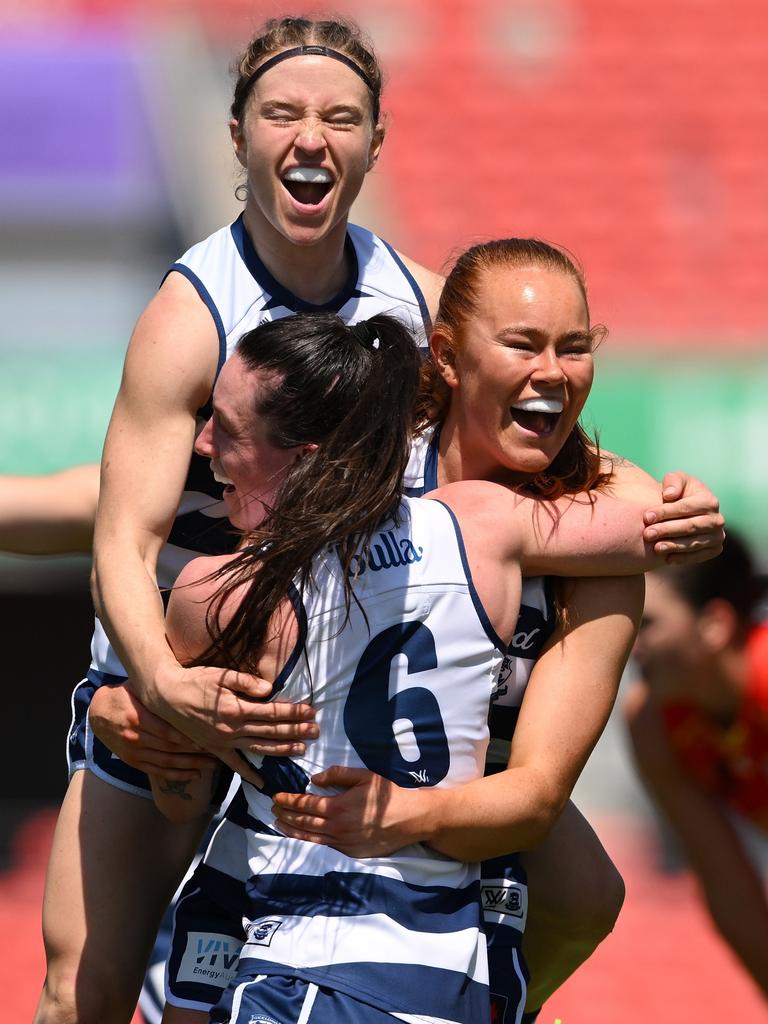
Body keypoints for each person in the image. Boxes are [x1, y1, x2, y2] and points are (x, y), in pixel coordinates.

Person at [34, 16, 722, 1024]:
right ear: (237, 136)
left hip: (344, 664)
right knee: (80, 984)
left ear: (375, 141)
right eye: (283, 112)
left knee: (586, 891)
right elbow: (117, 535)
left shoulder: (417, 303)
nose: (311, 136)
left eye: (340, 116)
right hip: (189, 656)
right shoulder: (193, 314)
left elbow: (549, 420)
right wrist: (164, 684)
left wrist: (656, 494)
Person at [154, 241, 722, 1024]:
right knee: (91, 965)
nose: (553, 371)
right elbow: (171, 521)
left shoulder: (596, 540)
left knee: (587, 892)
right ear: (448, 358)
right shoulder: (369, 458)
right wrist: (154, 687)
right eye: (524, 343)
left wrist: (404, 815)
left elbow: (536, 792)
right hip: (290, 823)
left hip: (462, 820)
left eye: (576, 348)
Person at [624, 533, 768, 1002]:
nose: (630, 644)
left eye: (648, 624)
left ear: (715, 624)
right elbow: (729, 888)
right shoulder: (653, 724)